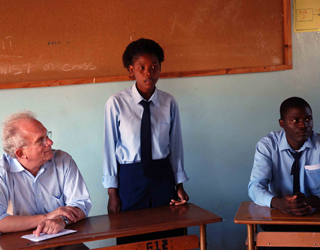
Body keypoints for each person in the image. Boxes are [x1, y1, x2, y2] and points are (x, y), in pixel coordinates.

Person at [103, 38, 189, 243]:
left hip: (163, 176)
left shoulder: (169, 102)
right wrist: (112, 193)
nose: (149, 72)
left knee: (169, 235)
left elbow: (176, 146)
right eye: (142, 67)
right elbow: (109, 147)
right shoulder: (116, 103)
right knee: (133, 238)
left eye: (154, 67)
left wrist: (179, 184)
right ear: (131, 69)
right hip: (131, 179)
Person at [0, 111, 91, 249]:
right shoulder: (2, 170)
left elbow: (81, 203)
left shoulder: (63, 160)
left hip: (62, 238)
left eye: (47, 135)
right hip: (21, 243)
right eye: (40, 140)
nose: (50, 142)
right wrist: (46, 217)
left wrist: (61, 219)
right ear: (21, 153)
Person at [248, 97, 320, 249]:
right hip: (278, 217)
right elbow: (255, 186)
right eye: (296, 120)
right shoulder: (268, 145)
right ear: (282, 124)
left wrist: (311, 201)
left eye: (308, 119)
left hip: (315, 217)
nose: (303, 125)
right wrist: (279, 203)